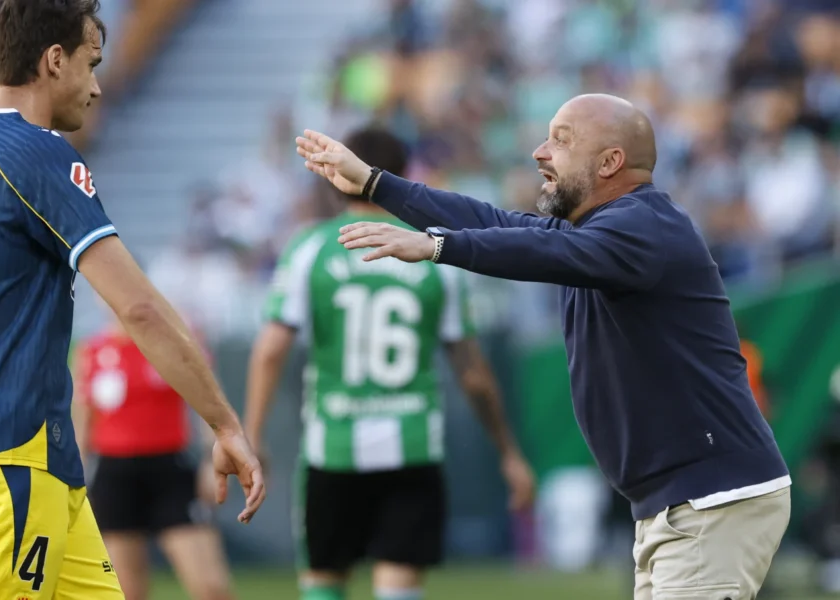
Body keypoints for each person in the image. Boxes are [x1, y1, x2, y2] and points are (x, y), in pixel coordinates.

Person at [0, 1, 265, 598]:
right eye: (91, 64)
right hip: (10, 470)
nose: (95, 87)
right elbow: (137, 306)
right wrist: (224, 422)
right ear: (54, 59)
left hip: (34, 475)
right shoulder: (36, 154)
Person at [296, 94, 792, 600]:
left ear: (610, 162)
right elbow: (491, 221)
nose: (539, 152)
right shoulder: (601, 229)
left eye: (561, 139)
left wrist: (439, 246)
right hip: (680, 502)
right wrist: (375, 183)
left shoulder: (644, 226)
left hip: (711, 500)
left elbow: (541, 249)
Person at [246, 126, 535, 600]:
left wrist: (253, 437)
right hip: (411, 445)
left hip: (332, 447)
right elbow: (475, 375)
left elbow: (272, 348)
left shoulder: (310, 249)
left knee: (324, 582)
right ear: (404, 175)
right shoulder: (432, 251)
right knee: (399, 585)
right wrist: (507, 451)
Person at [72, 311, 235, 600]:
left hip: (170, 469)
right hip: (114, 474)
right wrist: (77, 481)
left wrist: (212, 461)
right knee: (126, 592)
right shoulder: (92, 350)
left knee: (211, 588)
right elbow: (82, 421)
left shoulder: (174, 341)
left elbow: (207, 403)